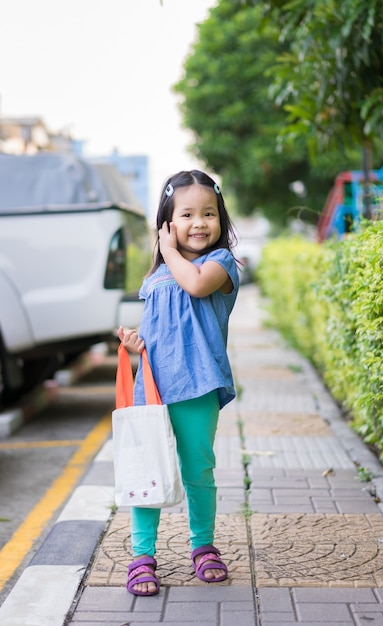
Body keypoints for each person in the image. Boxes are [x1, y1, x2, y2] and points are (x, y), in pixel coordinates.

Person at [118, 169, 239, 596]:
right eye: (187, 214)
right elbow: (158, 329)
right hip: (153, 387)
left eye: (209, 213)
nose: (199, 222)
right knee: (146, 469)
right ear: (168, 221)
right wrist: (137, 343)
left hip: (198, 386)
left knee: (197, 471)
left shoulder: (219, 264)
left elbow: (194, 283)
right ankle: (142, 555)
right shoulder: (154, 279)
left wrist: (167, 249)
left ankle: (203, 546)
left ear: (221, 219)